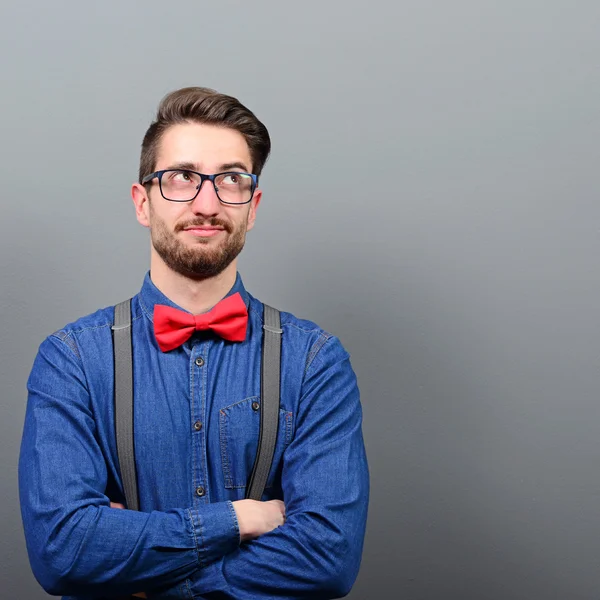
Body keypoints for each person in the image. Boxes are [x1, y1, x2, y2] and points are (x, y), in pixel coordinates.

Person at [19, 87, 369, 600]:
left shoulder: (315, 359)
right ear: (143, 202)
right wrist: (239, 519)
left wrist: (146, 573)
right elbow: (62, 551)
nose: (206, 204)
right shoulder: (70, 359)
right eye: (181, 177)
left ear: (252, 206)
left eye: (231, 179)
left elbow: (328, 556)